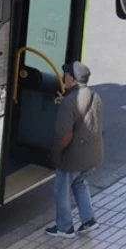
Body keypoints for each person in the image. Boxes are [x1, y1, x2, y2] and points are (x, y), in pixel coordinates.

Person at [45, 62, 104, 239]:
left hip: (74, 157)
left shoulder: (69, 103)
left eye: (66, 75)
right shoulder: (94, 96)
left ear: (71, 79)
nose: (64, 77)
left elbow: (65, 135)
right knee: (79, 183)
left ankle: (65, 228)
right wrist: (66, 102)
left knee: (61, 189)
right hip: (94, 154)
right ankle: (88, 220)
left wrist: (56, 154)